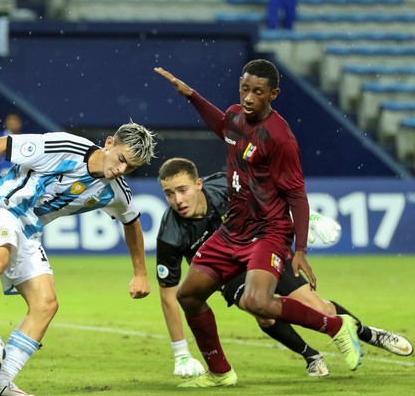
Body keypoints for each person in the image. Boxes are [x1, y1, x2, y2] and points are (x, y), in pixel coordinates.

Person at [153, 60, 363, 388]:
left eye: (258, 92)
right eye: (245, 89)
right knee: (189, 295)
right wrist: (190, 94)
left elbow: (297, 194)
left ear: (273, 95)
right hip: (233, 229)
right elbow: (222, 126)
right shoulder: (238, 117)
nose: (249, 97)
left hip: (269, 230)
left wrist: (301, 248)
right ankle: (220, 372)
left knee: (257, 302)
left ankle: (336, 327)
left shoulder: (280, 139)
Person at [0, 122, 156, 396]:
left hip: (29, 230)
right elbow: (4, 144)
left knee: (46, 304)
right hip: (0, 204)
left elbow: (132, 223)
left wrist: (140, 273)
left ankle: (0, 382)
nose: (122, 170)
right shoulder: (66, 147)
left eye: (131, 168)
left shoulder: (116, 190)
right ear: (109, 143)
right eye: (122, 159)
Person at [155, 157, 413, 378]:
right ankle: (311, 356)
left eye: (182, 190)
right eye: (169, 194)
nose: (178, 200)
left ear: (198, 184)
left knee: (318, 307)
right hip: (228, 272)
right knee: (258, 307)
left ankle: (370, 334)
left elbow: (271, 196)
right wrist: (181, 354)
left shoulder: (225, 184)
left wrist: (306, 217)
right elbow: (169, 296)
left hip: (263, 247)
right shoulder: (170, 233)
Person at [0, 112, 23, 178]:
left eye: (15, 120)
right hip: (4, 172)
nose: (13, 123)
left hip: (20, 173)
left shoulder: (24, 138)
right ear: (6, 123)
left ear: (20, 123)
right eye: (10, 120)